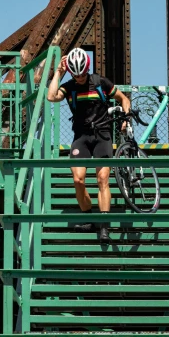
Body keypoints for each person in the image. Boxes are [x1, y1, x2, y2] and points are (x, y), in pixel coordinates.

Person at [47, 47, 130, 242]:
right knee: (78, 180)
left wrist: (126, 118)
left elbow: (124, 99)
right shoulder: (69, 86)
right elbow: (51, 96)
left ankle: (104, 226)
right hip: (81, 137)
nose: (80, 78)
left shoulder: (101, 83)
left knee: (102, 179)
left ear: (87, 69)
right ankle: (90, 217)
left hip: (102, 135)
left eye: (82, 74)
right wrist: (59, 72)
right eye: (76, 75)